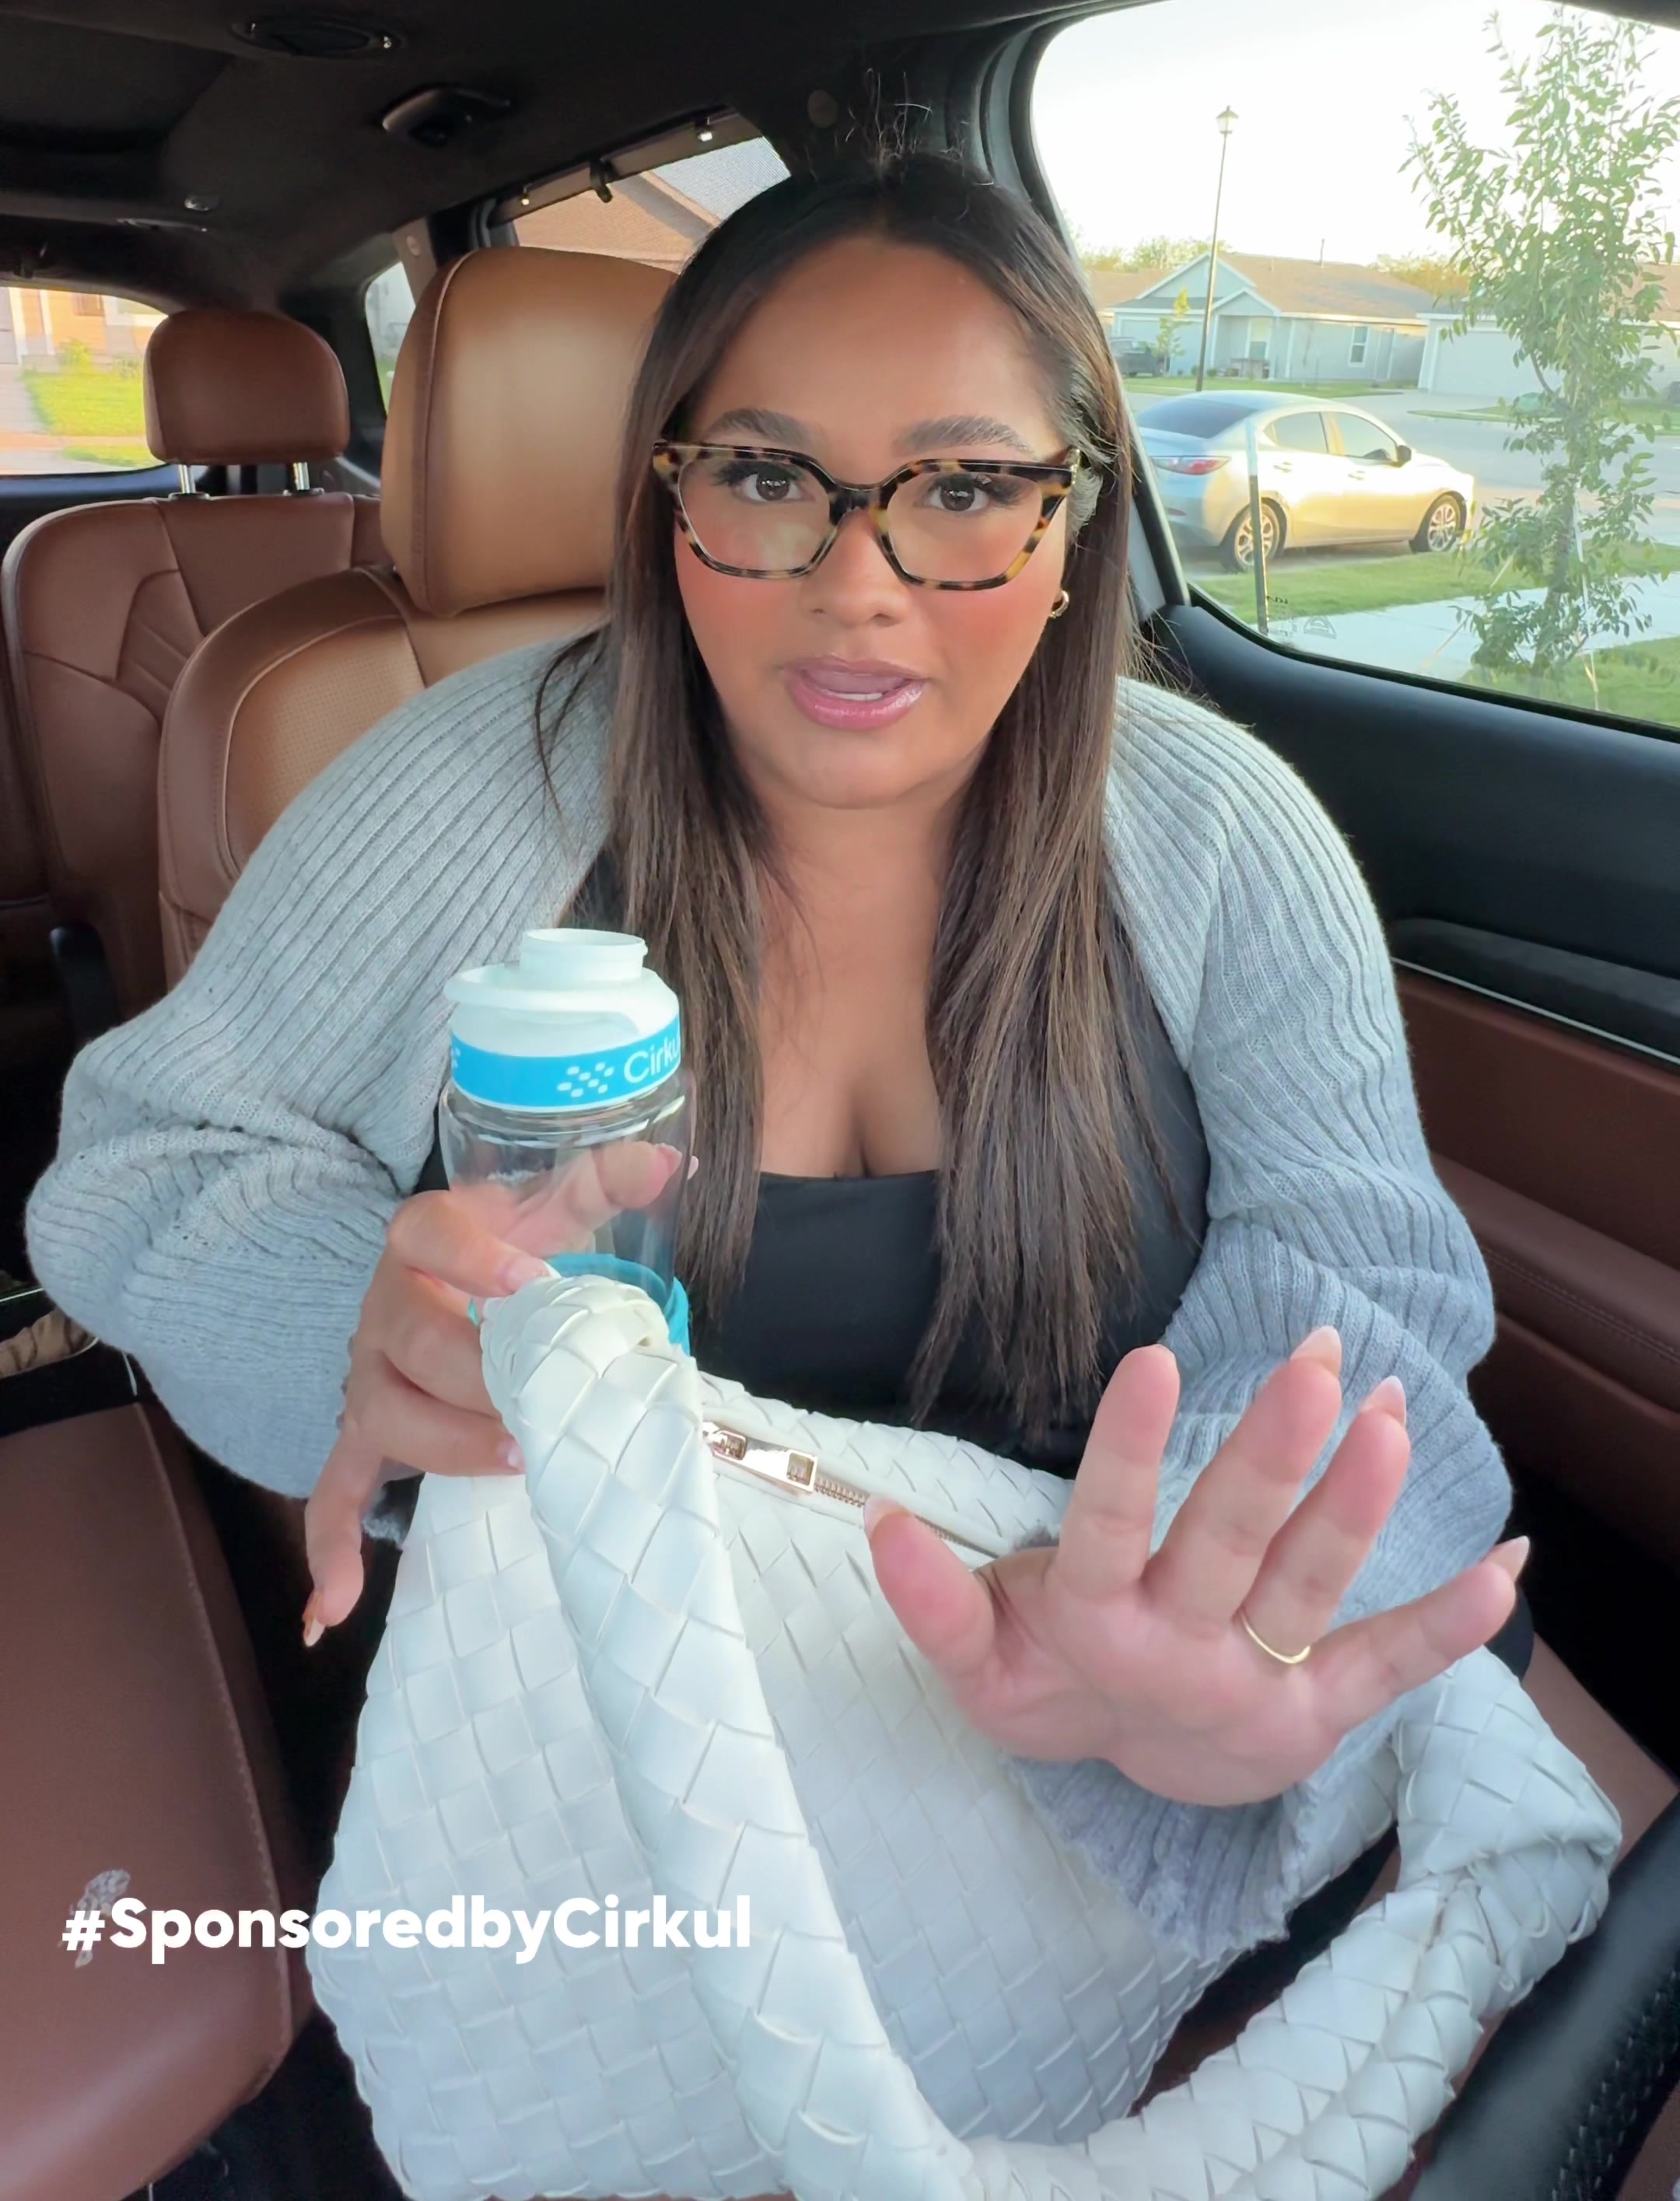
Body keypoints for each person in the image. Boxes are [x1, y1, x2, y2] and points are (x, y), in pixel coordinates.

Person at [27, 155, 1525, 1982]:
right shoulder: (456, 782)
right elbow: (154, 1159)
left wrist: (1198, 1621)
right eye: (763, 476)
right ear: (665, 498)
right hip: (624, 1757)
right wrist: (363, 1324)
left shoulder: (1224, 830)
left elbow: (1361, 1284)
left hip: (1137, 1767)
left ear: (1075, 526)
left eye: (964, 490)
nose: (856, 584)